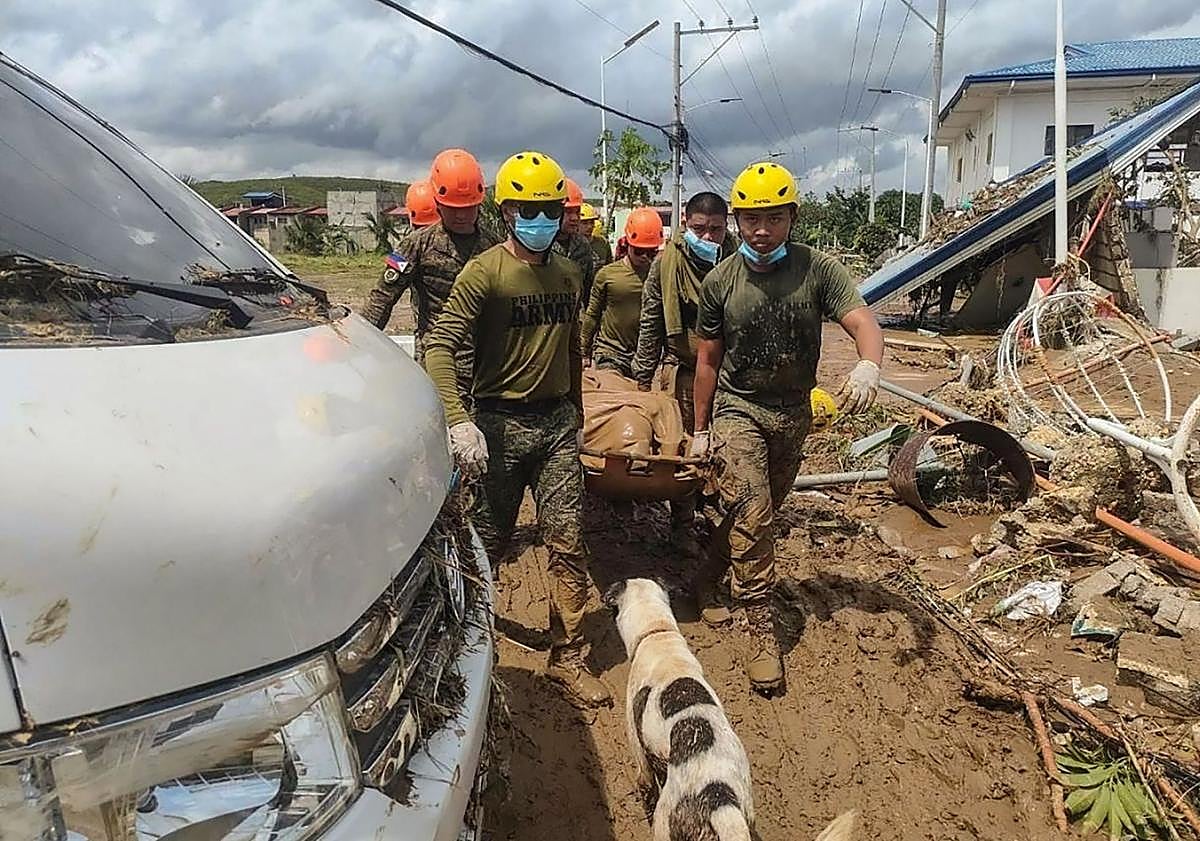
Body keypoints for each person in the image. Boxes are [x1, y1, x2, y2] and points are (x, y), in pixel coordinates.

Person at [424, 150, 610, 709]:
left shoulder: (568, 271)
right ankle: (468, 644)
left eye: (550, 208)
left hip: (555, 425)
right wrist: (460, 422)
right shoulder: (485, 273)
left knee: (568, 543)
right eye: (529, 208)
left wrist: (577, 414)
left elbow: (571, 348)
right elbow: (438, 346)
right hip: (498, 426)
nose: (541, 218)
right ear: (507, 212)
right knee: (485, 544)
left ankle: (569, 655)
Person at [691, 162, 884, 695]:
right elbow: (707, 361)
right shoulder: (720, 281)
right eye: (750, 219)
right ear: (736, 221)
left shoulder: (818, 270)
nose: (760, 230)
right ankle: (762, 633)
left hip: (792, 414)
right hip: (738, 410)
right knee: (754, 516)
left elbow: (861, 321)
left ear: (792, 217)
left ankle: (706, 575)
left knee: (758, 511)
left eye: (772, 219)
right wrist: (701, 428)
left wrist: (869, 363)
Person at [630, 192, 732, 555]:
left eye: (716, 230)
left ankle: (723, 517)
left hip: (731, 374)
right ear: (686, 224)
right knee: (685, 449)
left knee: (729, 448)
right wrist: (642, 378)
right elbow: (651, 321)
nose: (708, 238)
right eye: (700, 229)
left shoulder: (738, 262)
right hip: (684, 371)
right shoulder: (666, 265)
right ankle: (682, 525)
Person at [361, 149, 498, 378]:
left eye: (468, 207)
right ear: (437, 202)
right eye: (453, 208)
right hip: (442, 364)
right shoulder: (416, 245)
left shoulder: (494, 245)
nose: (462, 216)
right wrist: (357, 344)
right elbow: (382, 298)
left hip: (488, 366)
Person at [579, 207, 662, 377]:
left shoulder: (662, 275)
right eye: (639, 251)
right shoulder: (607, 275)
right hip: (610, 353)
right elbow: (592, 315)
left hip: (645, 358)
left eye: (651, 252)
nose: (645, 257)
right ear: (627, 243)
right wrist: (583, 351)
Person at [553, 178, 597, 304]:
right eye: (568, 212)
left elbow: (588, 287)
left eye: (577, 212)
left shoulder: (583, 245)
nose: (574, 218)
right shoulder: (540, 246)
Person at [580, 203, 613, 267]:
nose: (589, 226)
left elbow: (609, 267)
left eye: (592, 222)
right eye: (585, 223)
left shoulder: (603, 243)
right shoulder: (573, 244)